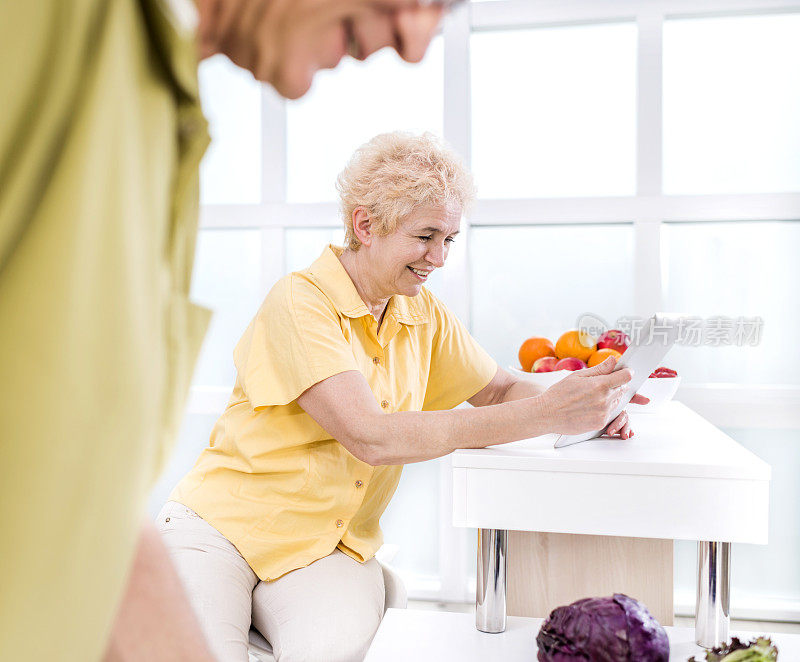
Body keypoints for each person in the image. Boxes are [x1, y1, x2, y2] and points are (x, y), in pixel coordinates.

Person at [0, 2, 453, 661]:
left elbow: (74, 455)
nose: (417, 40)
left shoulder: (160, 113)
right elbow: (370, 433)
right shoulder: (56, 20)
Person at [159, 132, 646, 662]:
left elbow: (501, 390)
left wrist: (585, 412)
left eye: (450, 239)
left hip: (327, 548)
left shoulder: (422, 313)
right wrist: (544, 412)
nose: (439, 257)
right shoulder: (300, 301)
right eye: (426, 236)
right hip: (221, 528)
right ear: (366, 225)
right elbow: (368, 435)